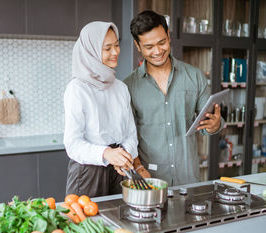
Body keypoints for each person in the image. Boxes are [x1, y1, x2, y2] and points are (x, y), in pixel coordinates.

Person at [124, 10, 224, 186]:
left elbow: (208, 123)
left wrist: (215, 125)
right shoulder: (128, 87)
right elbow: (127, 137)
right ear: (138, 46)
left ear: (168, 36)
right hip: (150, 181)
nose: (157, 51)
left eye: (161, 42)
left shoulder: (195, 77)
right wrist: (138, 167)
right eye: (149, 47)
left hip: (188, 178)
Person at [64, 21, 151, 198]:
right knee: (86, 224)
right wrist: (106, 154)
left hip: (120, 169)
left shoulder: (120, 87)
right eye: (107, 48)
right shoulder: (77, 89)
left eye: (117, 46)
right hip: (88, 172)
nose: (115, 52)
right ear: (92, 51)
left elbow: (130, 134)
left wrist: (124, 155)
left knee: (119, 221)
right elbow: (73, 144)